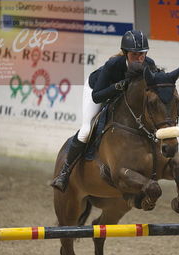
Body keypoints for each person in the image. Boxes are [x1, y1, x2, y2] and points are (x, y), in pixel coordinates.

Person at [51, 30, 158, 192]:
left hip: (122, 97)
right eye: (135, 54)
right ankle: (64, 172)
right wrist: (118, 86)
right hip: (97, 89)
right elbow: (97, 96)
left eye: (142, 54)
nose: (140, 58)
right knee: (86, 130)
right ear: (125, 53)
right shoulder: (113, 65)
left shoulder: (149, 64)